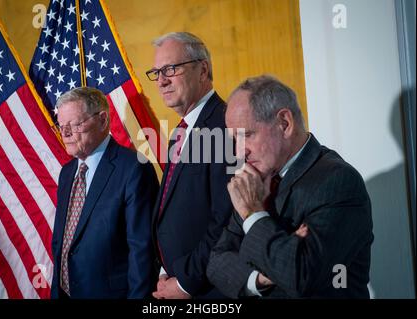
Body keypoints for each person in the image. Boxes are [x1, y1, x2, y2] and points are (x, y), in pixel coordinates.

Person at [207, 75, 373, 298]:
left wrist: (253, 214)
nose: (239, 152)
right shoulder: (257, 177)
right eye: (234, 139)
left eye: (246, 135)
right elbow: (217, 261)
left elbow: (300, 275)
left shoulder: (338, 181)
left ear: (284, 123)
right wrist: (261, 278)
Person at [145, 32, 233, 299]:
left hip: (209, 291)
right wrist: (164, 270)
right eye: (156, 72)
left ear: (202, 69)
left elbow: (227, 220)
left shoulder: (225, 125)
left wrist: (185, 282)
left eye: (171, 69)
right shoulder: (180, 132)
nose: (161, 80)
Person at [50, 87, 159, 299]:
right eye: (61, 126)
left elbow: (142, 250)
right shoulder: (67, 173)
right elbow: (63, 244)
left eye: (75, 124)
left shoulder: (134, 167)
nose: (66, 133)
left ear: (102, 120)